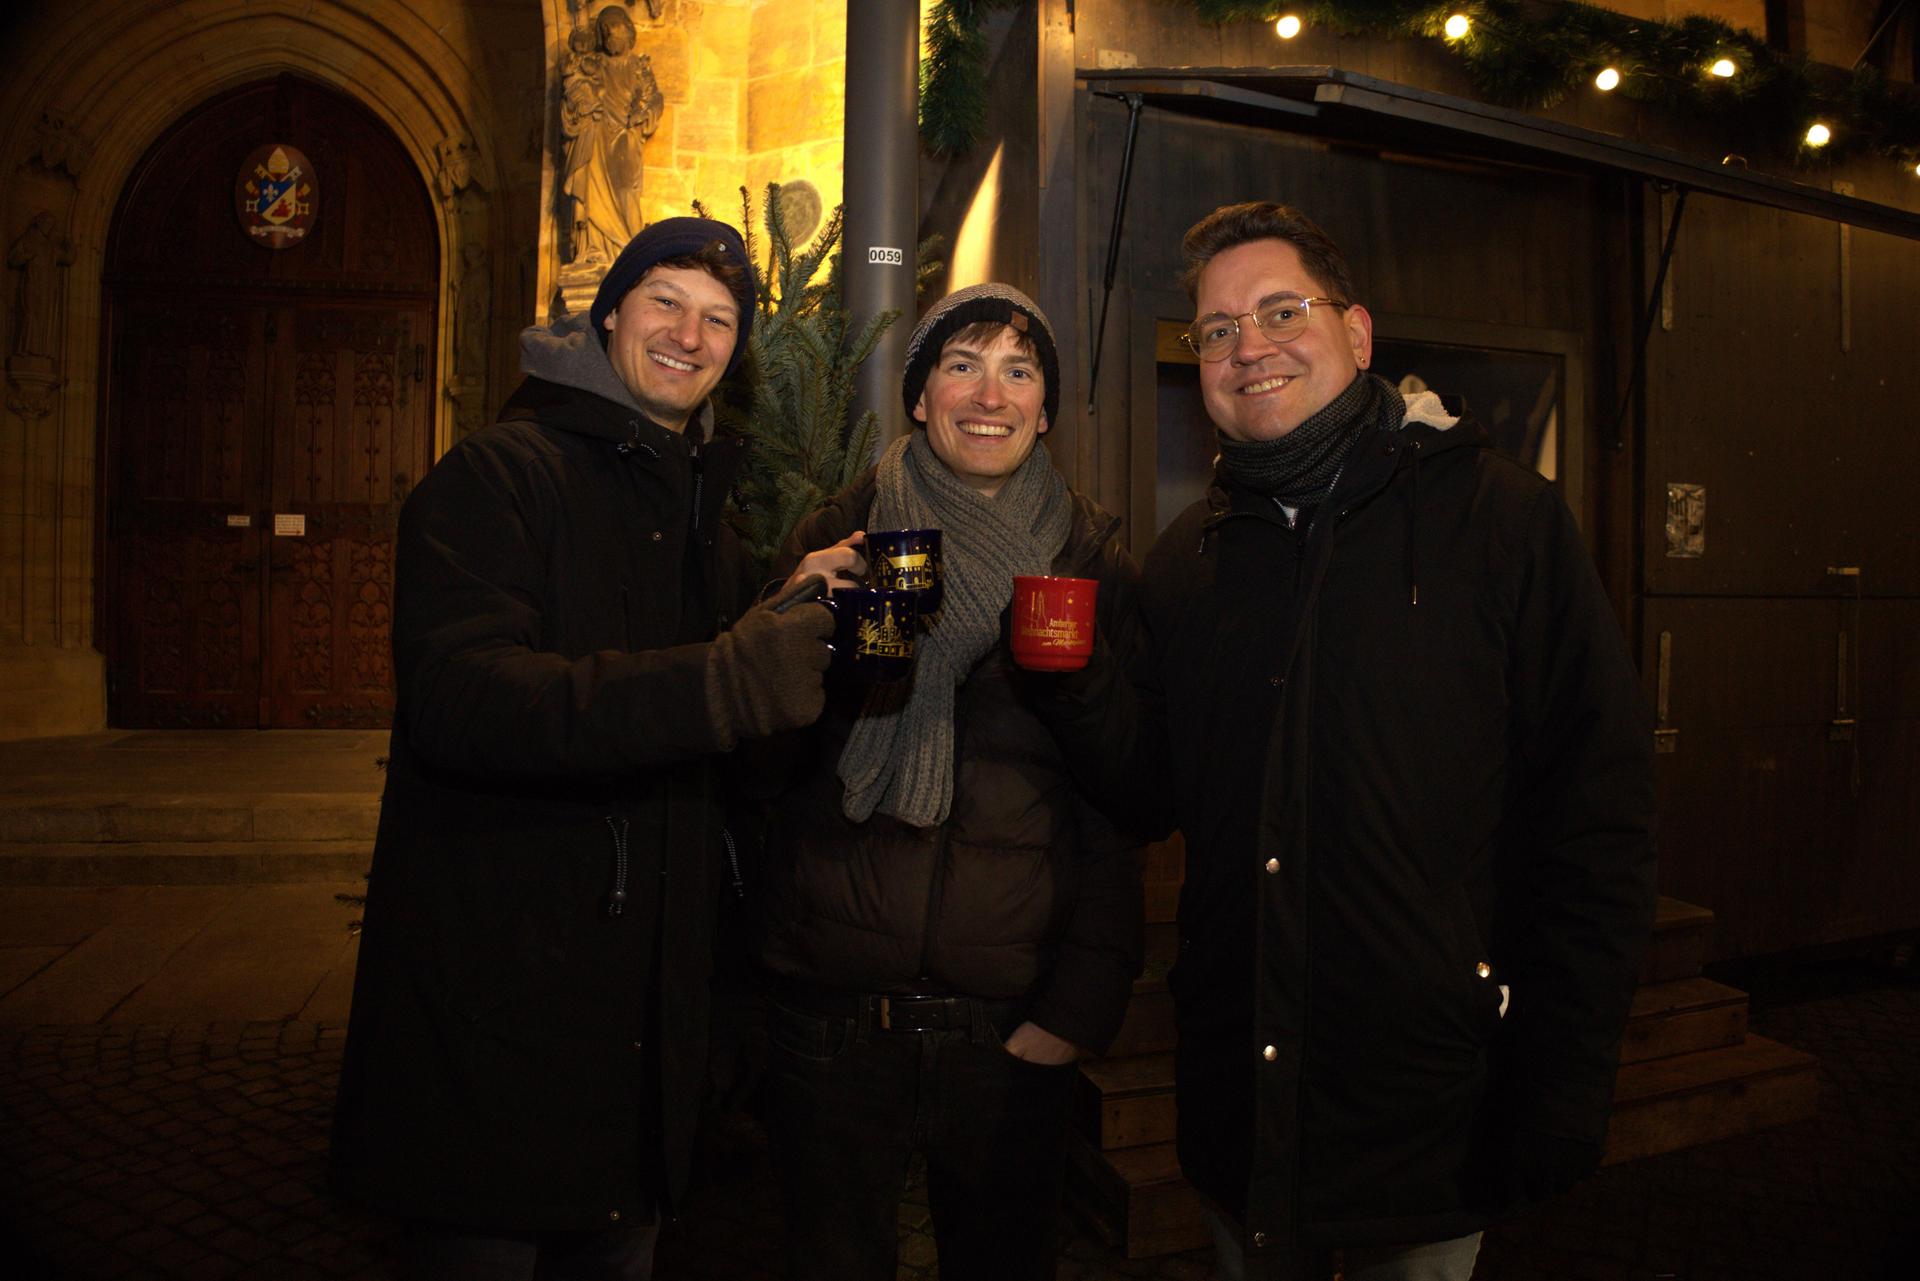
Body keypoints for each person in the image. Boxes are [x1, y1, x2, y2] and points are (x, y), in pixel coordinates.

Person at [1038, 203, 1657, 1280]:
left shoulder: (1502, 521)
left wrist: (1566, 1074)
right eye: (1217, 330)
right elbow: (1153, 796)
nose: (1248, 346)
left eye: (1282, 310)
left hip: (1427, 1106)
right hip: (1241, 1105)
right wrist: (1076, 681)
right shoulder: (1192, 558)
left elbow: (1598, 819)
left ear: (1358, 334)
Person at [329, 216, 836, 1280]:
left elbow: (735, 762)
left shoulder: (708, 521)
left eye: (719, 321)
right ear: (608, 314)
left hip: (641, 1047)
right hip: (499, 1018)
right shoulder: (497, 476)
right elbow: (461, 701)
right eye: (665, 304)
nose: (690, 337)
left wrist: (797, 628)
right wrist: (720, 679)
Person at [754, 283, 1145, 1281]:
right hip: (836, 1014)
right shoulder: (843, 530)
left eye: (1020, 370)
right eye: (962, 364)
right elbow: (757, 772)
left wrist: (1078, 1008)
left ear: (1045, 410)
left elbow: (1130, 798)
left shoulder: (1091, 555)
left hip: (1007, 1027)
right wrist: (804, 629)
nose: (991, 392)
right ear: (921, 396)